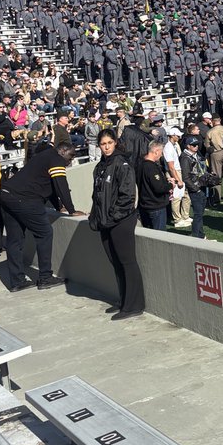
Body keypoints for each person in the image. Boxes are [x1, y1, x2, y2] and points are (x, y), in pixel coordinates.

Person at [0, 142, 84, 292]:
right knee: (44, 233)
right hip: (24, 198)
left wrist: (58, 207)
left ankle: (17, 281)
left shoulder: (44, 157)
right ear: (62, 151)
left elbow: (50, 186)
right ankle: (45, 277)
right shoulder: (56, 159)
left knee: (15, 240)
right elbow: (60, 184)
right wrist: (71, 210)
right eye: (70, 156)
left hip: (6, 194)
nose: (70, 161)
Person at [90, 129, 143, 320]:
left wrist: (113, 216)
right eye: (103, 144)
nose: (106, 147)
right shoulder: (100, 167)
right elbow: (97, 196)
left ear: (115, 143)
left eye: (109, 143)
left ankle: (134, 305)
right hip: (106, 222)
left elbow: (128, 196)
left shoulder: (122, 163)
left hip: (120, 221)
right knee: (115, 263)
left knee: (127, 262)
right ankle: (123, 300)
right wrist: (96, 218)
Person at [180, 134, 212, 239]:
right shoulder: (185, 158)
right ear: (188, 146)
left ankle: (200, 234)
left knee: (200, 214)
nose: (196, 146)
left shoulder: (195, 155)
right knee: (198, 214)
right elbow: (186, 177)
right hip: (196, 189)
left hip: (201, 187)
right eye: (193, 145)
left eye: (197, 144)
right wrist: (196, 189)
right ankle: (196, 235)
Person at [137, 138, 171, 231]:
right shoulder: (151, 167)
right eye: (161, 152)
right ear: (156, 151)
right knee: (159, 236)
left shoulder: (140, 164)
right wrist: (170, 185)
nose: (161, 155)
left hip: (145, 204)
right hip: (155, 206)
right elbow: (159, 188)